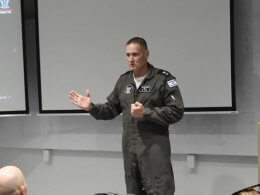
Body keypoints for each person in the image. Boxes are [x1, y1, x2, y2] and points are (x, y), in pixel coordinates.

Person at [69, 37, 184, 195]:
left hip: (154, 150)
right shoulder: (124, 81)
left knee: (159, 190)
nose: (131, 59)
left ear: (146, 54)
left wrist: (146, 113)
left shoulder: (162, 79)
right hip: (130, 150)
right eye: (128, 55)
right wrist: (91, 107)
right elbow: (111, 109)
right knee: (133, 191)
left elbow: (176, 111)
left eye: (135, 54)